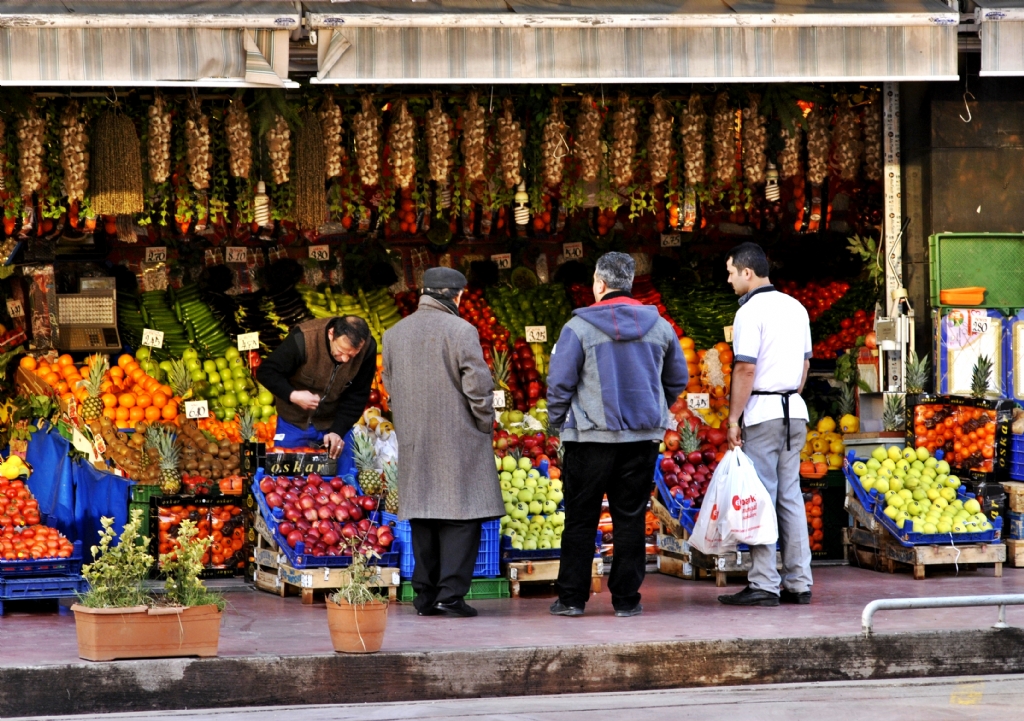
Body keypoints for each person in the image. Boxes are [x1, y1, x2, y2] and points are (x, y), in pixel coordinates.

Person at [546, 252, 689, 618]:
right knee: (630, 518)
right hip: (641, 441)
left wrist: (556, 422)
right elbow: (677, 380)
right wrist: (653, 407)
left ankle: (572, 600)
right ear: (628, 283)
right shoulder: (660, 327)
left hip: (589, 440)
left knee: (581, 519)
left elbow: (559, 384)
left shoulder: (577, 328)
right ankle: (627, 601)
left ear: (599, 284)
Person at [382, 267, 504, 618]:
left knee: (422, 516)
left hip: (415, 437)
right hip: (458, 434)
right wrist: (483, 423)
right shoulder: (461, 330)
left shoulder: (394, 334)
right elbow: (478, 386)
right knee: (461, 515)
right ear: (458, 295)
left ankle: (424, 596)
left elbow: (390, 384)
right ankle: (450, 594)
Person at [718, 242, 813, 607]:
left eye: (730, 272)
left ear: (747, 272)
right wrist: (788, 394)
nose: (729, 280)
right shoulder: (796, 307)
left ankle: (764, 583)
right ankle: (799, 581)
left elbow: (745, 368)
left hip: (763, 413)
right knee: (790, 496)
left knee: (762, 497)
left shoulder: (749, 311)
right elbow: (804, 366)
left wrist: (732, 419)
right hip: (795, 410)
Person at [257, 315, 375, 460]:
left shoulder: (368, 348)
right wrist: (293, 395)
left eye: (352, 355)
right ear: (331, 334)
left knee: (341, 479)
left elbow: (358, 395)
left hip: (334, 422)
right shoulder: (305, 338)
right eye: (341, 351)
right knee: (287, 479)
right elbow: (266, 372)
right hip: (294, 422)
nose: (345, 359)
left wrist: (337, 431)